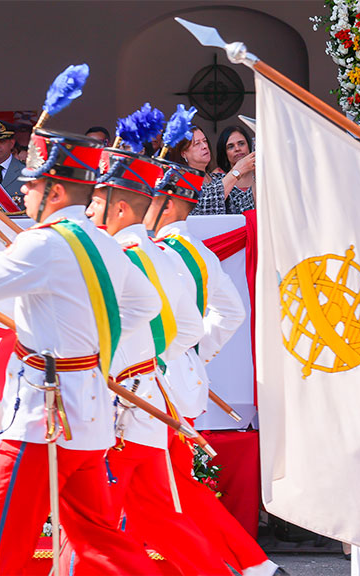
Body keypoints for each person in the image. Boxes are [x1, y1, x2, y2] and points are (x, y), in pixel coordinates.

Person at [0, 128, 160, 575]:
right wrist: (87, 340)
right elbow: (146, 305)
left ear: (56, 192)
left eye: (32, 183)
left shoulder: (44, 243)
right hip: (85, 414)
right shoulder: (103, 242)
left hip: (43, 419)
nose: (23, 190)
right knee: (100, 541)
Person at [82, 147, 230, 575]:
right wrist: (152, 362)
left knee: (97, 519)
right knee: (157, 516)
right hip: (145, 398)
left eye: (96, 201)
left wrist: (132, 363)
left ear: (120, 207)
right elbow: (189, 329)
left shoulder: (120, 257)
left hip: (119, 406)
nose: (88, 211)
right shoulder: (157, 255)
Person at [146, 157, 283, 576]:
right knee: (170, 491)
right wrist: (194, 356)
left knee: (166, 491)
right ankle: (250, 564)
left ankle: (243, 564)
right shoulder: (199, 252)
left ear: (168, 204)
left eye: (149, 198)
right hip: (180, 384)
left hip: (152, 384)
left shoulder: (153, 253)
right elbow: (232, 313)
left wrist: (175, 353)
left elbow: (175, 324)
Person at [196, 125, 257, 215]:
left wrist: (257, 173)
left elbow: (245, 206)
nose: (205, 146)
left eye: (205, 141)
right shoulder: (183, 180)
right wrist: (237, 171)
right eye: (197, 143)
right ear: (183, 153)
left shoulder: (218, 178)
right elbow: (206, 206)